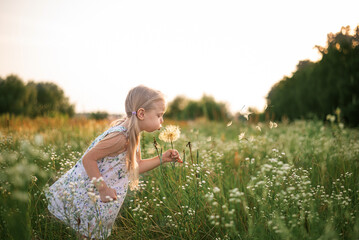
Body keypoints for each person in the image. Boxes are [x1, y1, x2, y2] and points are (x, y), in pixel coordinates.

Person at [45, 85, 182, 239]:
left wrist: (162, 158)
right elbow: (88, 159)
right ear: (142, 113)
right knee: (88, 234)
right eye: (159, 115)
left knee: (89, 234)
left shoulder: (133, 136)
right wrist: (103, 189)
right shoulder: (120, 137)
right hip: (90, 195)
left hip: (99, 199)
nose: (162, 120)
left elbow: (135, 167)